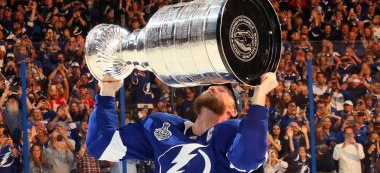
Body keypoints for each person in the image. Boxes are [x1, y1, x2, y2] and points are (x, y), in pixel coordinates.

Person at [86, 73, 278, 172]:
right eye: (212, 85)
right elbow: (101, 144)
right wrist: (107, 91)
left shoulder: (233, 132)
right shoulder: (162, 125)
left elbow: (248, 157)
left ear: (233, 110)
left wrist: (260, 93)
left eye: (223, 90)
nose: (213, 87)